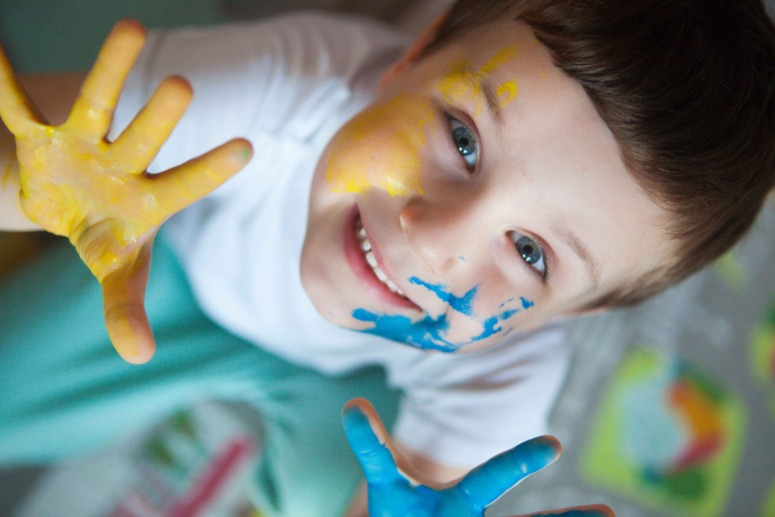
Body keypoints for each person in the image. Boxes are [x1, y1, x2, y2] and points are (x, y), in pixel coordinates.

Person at [1, 0, 773, 515]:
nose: (434, 236)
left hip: (356, 395)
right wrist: (30, 191)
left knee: (329, 490)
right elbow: (45, 161)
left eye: (531, 253)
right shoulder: (285, 86)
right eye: (462, 139)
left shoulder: (501, 374)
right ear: (413, 56)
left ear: (576, 312)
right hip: (170, 275)